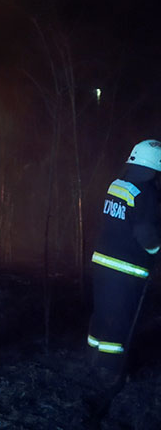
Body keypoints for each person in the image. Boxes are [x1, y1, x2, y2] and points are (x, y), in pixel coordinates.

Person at [87, 139, 161, 408]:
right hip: (126, 269)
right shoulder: (146, 193)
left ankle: (94, 359)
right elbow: (145, 234)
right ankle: (110, 371)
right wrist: (156, 249)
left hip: (103, 263)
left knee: (103, 314)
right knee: (119, 321)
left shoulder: (117, 185)